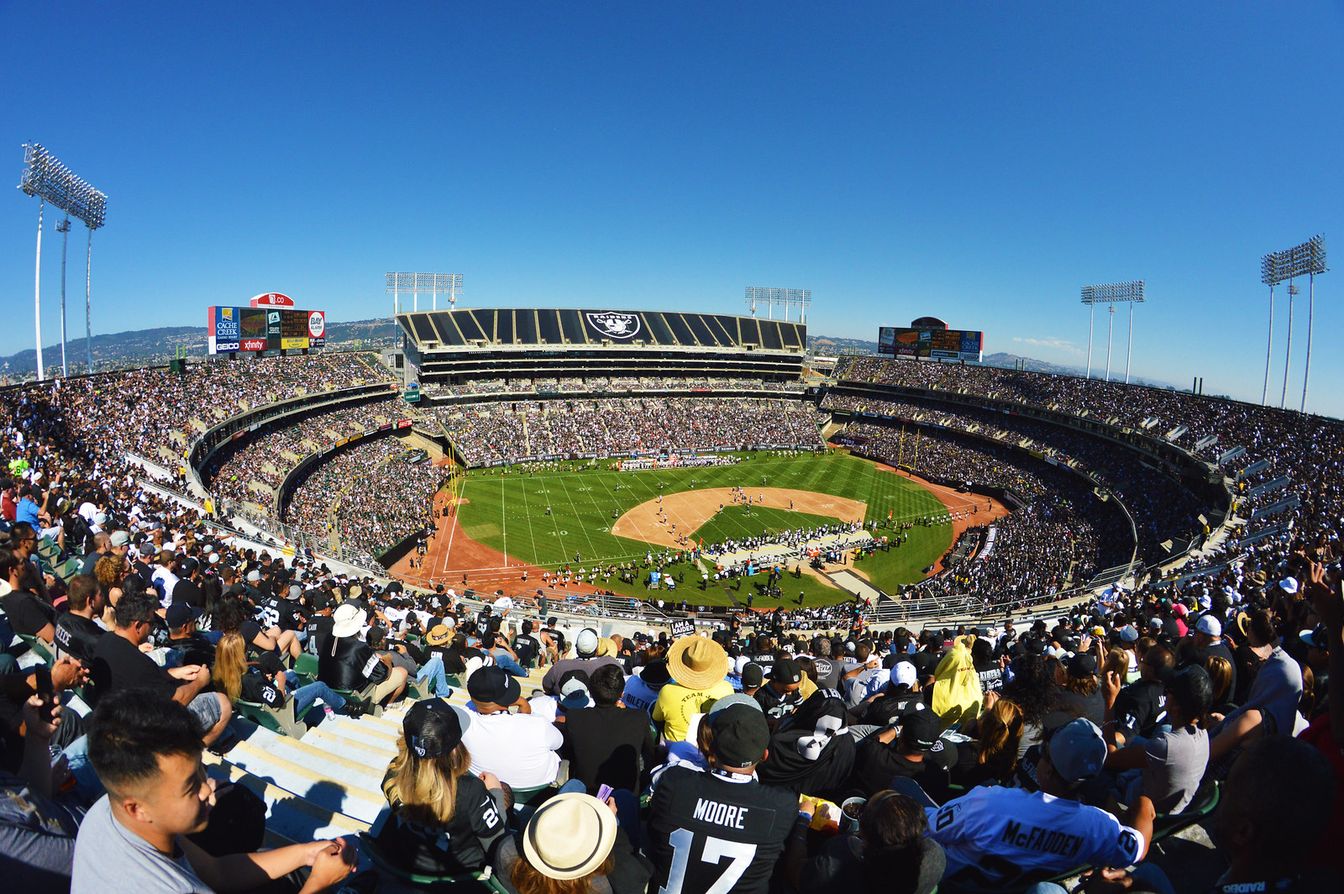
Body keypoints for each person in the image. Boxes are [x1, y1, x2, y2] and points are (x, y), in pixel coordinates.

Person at [71, 690, 356, 893]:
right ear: (137, 808)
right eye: (191, 786)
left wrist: (305, 853)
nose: (210, 789)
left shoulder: (110, 810)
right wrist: (317, 885)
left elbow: (218, 872)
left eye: (201, 771)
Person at [926, 718, 1153, 890]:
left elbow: (928, 829)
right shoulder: (1097, 826)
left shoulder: (991, 802)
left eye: (1044, 752)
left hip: (953, 885)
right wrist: (1144, 804)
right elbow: (1138, 850)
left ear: (1049, 769)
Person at [647, 702, 801, 894]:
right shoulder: (782, 805)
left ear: (710, 746)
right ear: (764, 755)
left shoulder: (673, 783)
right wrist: (805, 819)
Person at [373, 699, 509, 877]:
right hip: (460, 873)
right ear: (455, 750)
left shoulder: (393, 773)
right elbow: (497, 842)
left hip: (409, 860)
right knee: (507, 797)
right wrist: (495, 792)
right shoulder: (471, 790)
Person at [89, 592, 232, 746]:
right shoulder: (137, 662)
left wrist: (174, 673)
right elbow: (176, 701)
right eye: (150, 622)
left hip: (119, 721)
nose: (152, 628)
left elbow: (137, 678)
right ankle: (190, 754)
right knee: (223, 703)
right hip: (142, 734)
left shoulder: (105, 641)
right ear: (137, 625)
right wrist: (200, 682)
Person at [493, 791, 651, 894]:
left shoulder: (507, 852)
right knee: (625, 796)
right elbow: (635, 880)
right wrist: (613, 824)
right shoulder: (601, 886)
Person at [1104, 664, 1211, 814]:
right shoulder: (1203, 733)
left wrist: (1110, 702)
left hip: (1139, 809)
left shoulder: (1166, 746)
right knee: (1151, 734)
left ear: (1176, 707)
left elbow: (1110, 759)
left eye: (1167, 691)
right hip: (1166, 794)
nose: (1164, 693)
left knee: (1094, 777)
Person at [801, 790, 945, 894]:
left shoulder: (837, 861)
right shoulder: (934, 856)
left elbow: (795, 873)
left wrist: (803, 819)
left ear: (863, 830)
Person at [211, 632, 355, 724]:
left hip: (261, 705)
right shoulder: (251, 681)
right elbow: (278, 701)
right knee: (320, 687)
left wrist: (266, 681)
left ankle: (304, 698)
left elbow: (257, 691)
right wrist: (280, 682)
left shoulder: (221, 675)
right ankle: (349, 707)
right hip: (281, 714)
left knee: (291, 675)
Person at [462, 666, 564, 790]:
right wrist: (525, 707)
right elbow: (559, 742)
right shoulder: (539, 725)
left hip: (484, 790)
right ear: (508, 699)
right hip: (541, 794)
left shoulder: (462, 722)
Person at [560, 664, 657, 795]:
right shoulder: (639, 717)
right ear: (621, 694)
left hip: (585, 795)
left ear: (591, 693)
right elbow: (649, 755)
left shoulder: (574, 717)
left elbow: (567, 754)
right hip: (625, 796)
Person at [316, 603, 407, 706]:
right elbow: (382, 675)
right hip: (355, 698)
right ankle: (388, 705)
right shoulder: (359, 647)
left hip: (328, 691)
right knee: (402, 672)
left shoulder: (328, 637)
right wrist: (388, 661)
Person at [653, 636, 733, 744]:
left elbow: (657, 719)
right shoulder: (726, 689)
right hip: (712, 750)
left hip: (675, 751)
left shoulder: (667, 691)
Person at [541, 628, 621, 695]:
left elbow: (546, 686)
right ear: (597, 649)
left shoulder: (560, 665)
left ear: (576, 647)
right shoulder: (610, 664)